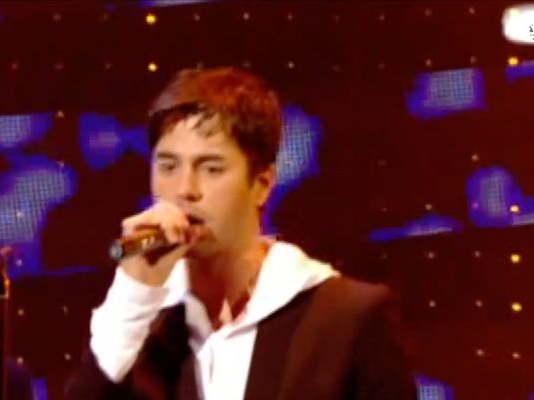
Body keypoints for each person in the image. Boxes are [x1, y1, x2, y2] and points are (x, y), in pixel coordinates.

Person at [65, 67, 418, 399]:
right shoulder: (139, 327)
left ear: (262, 184)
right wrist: (135, 290)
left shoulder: (346, 317)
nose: (185, 190)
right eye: (168, 166)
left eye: (211, 169)